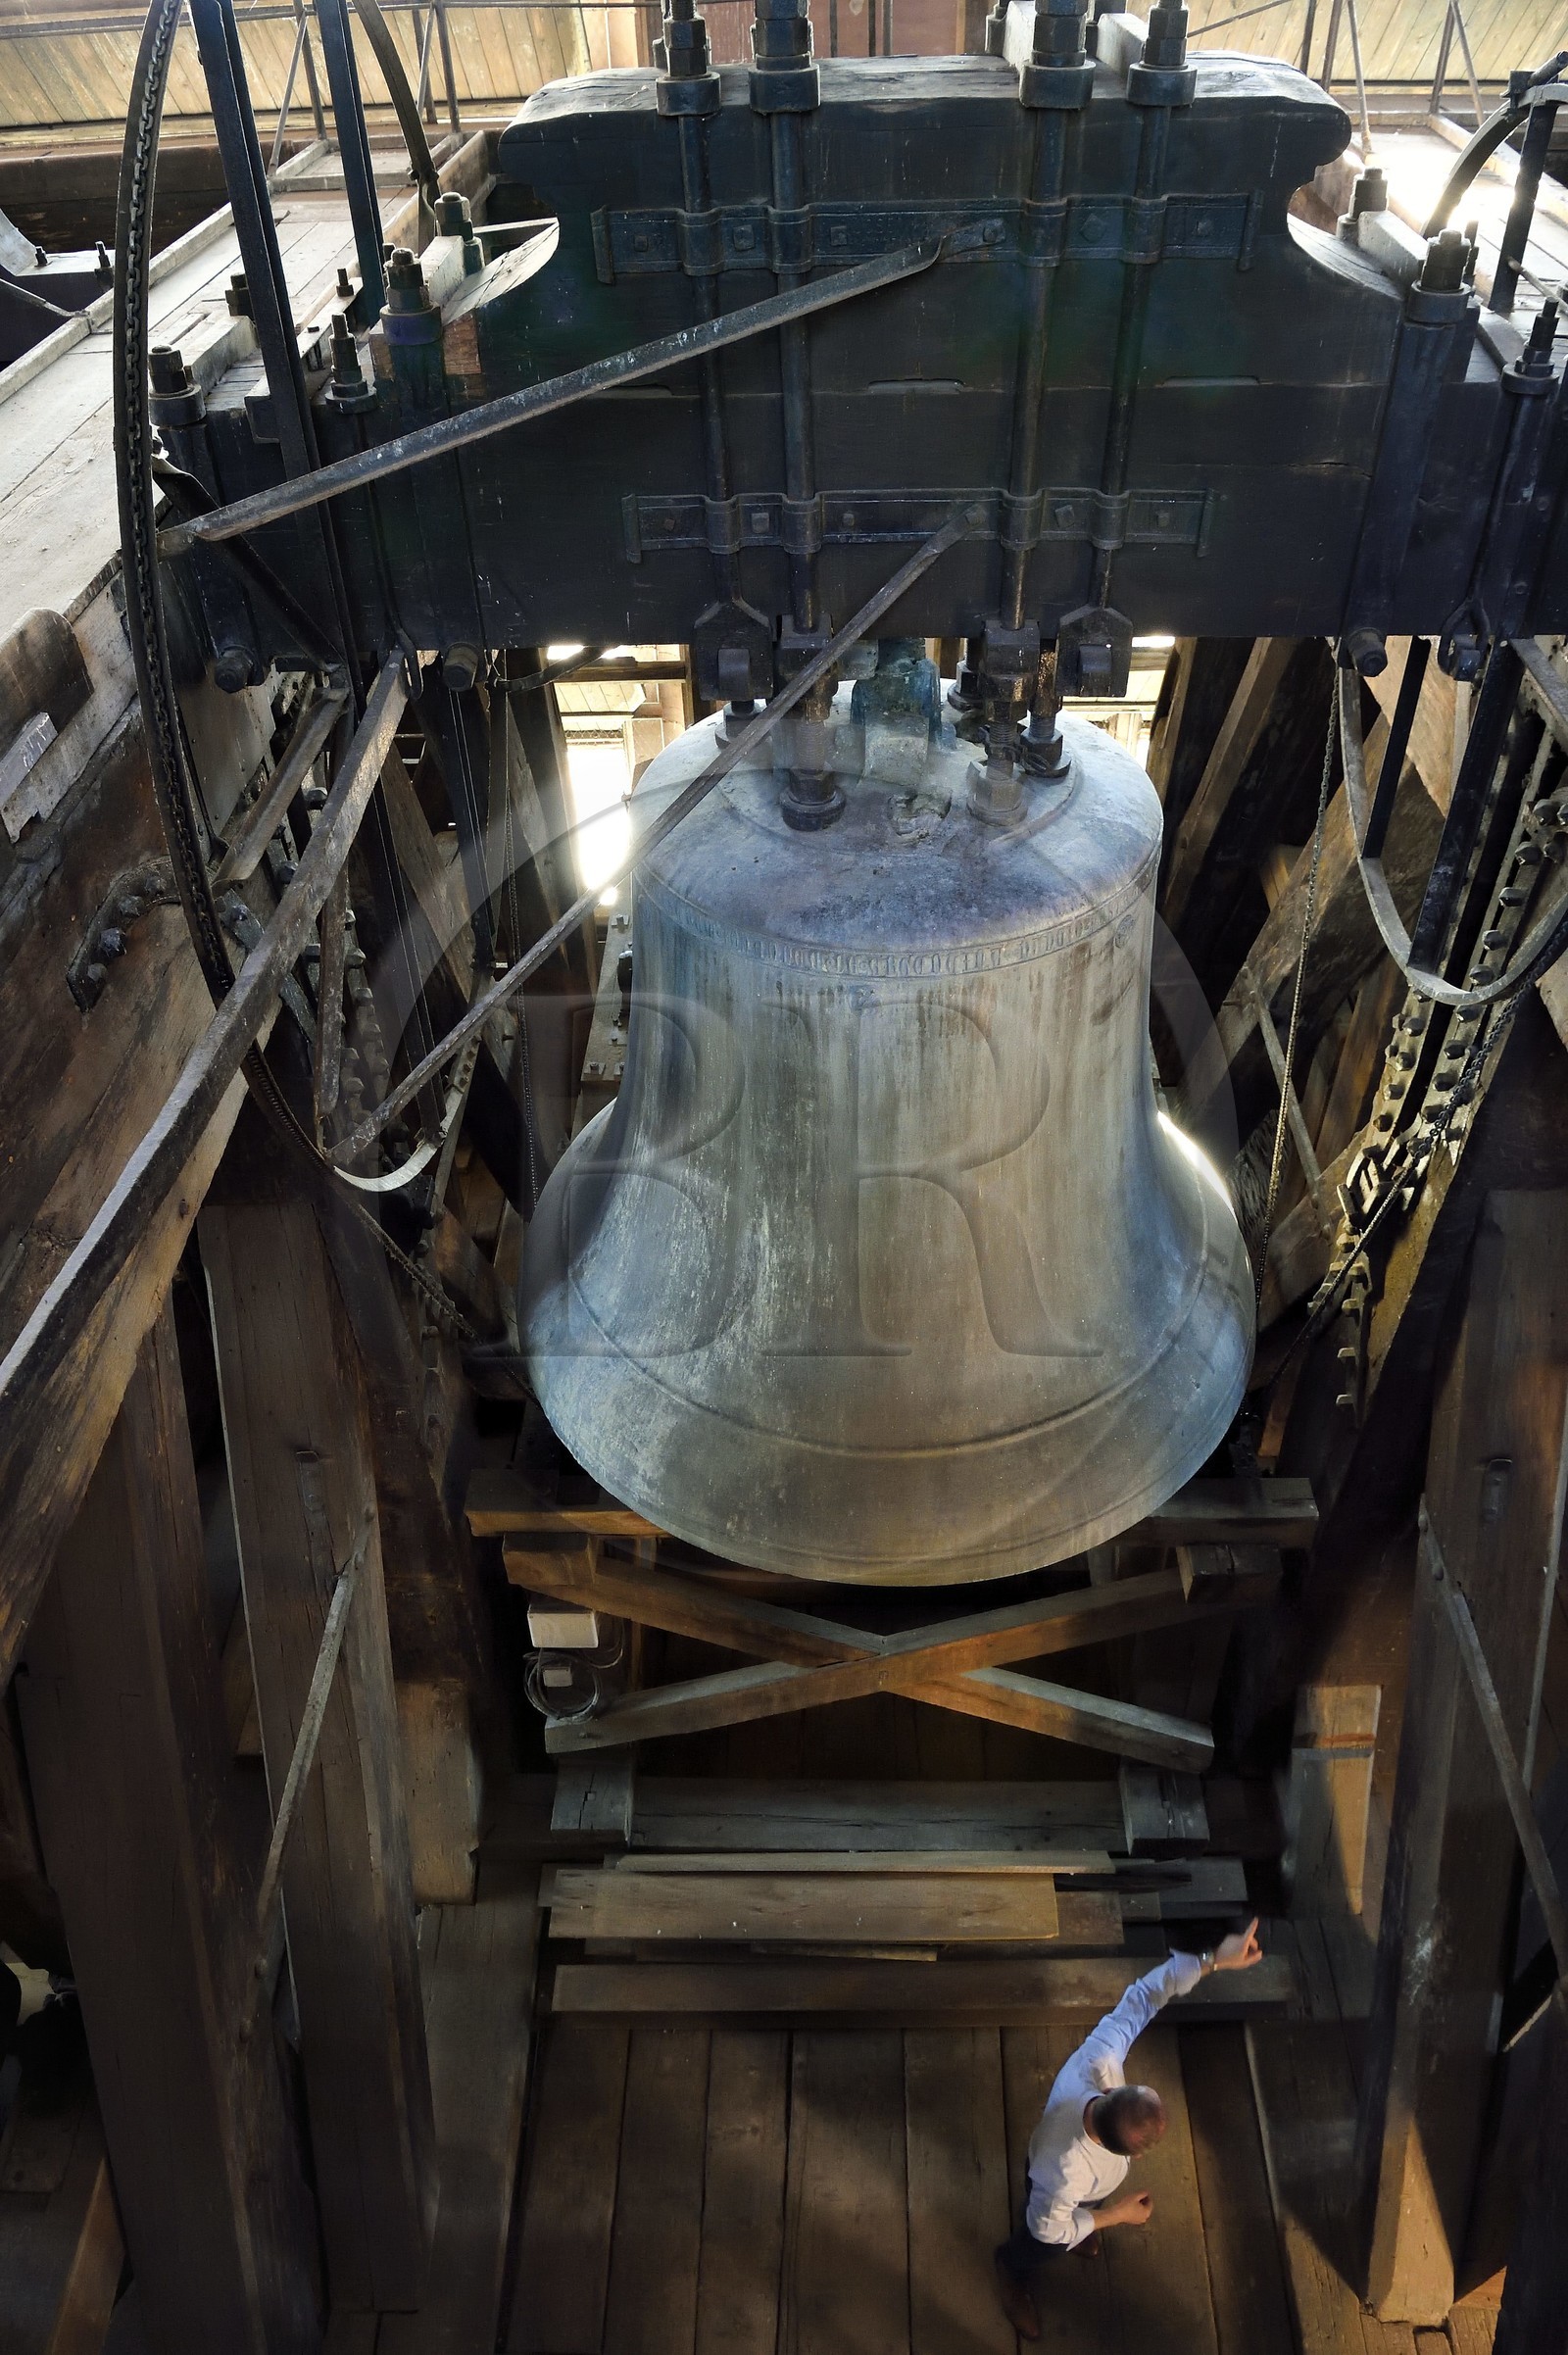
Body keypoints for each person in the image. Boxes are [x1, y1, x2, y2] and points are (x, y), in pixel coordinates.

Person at [994, 1918, 1266, 2340]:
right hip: (1057, 2205)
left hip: (1092, 2187)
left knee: (1084, 2212)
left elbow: (1143, 1997)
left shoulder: (1099, 2062)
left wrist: (1215, 1961)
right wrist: (1114, 2216)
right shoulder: (1062, 2171)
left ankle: (1090, 2218)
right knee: (1038, 2243)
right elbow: (1049, 2226)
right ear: (1133, 2155)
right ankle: (1011, 2273)